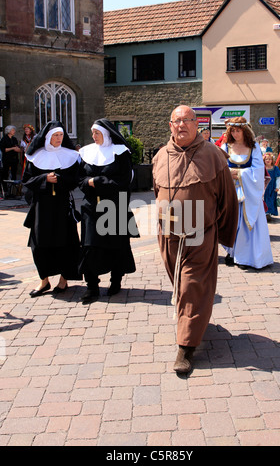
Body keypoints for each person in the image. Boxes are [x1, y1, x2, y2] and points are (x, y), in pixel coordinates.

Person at [152, 105, 238, 374]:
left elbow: (227, 198)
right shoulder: (159, 156)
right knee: (180, 285)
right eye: (176, 121)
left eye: (187, 120)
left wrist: (225, 236)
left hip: (200, 235)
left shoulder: (213, 155)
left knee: (191, 286)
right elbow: (156, 192)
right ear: (170, 125)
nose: (181, 126)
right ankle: (194, 320)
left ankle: (185, 348)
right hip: (169, 235)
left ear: (196, 124)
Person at [78, 118, 138, 304]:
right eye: (93, 133)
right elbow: (79, 178)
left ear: (106, 134)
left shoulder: (120, 153)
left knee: (116, 246)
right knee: (89, 247)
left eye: (97, 133)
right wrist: (88, 182)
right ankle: (92, 287)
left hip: (115, 206)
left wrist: (96, 182)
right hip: (91, 208)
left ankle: (115, 281)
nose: (94, 136)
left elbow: (124, 180)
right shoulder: (87, 152)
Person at [22, 121, 81, 297]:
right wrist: (44, 179)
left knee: (66, 243)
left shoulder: (70, 156)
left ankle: (64, 280)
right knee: (39, 245)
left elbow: (75, 180)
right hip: (42, 207)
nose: (58, 138)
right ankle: (44, 281)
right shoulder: (35, 156)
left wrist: (60, 179)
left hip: (62, 206)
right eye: (55, 135)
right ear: (47, 137)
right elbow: (26, 181)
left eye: (61, 135)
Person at [221, 117, 273, 270]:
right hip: (231, 191)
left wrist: (239, 173)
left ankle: (247, 258)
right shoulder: (226, 147)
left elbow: (258, 170)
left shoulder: (254, 147)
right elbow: (221, 166)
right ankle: (232, 253)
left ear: (245, 131)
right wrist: (229, 172)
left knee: (247, 225)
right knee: (232, 223)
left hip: (248, 193)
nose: (236, 134)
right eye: (233, 131)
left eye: (238, 131)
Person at [263, 153, 280, 219]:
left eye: (270, 159)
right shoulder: (262, 168)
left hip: (272, 187)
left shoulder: (275, 168)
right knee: (265, 199)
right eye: (266, 159)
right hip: (264, 187)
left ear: (272, 160)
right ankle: (266, 213)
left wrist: (277, 187)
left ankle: (269, 213)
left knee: (271, 199)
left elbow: (278, 178)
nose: (268, 160)